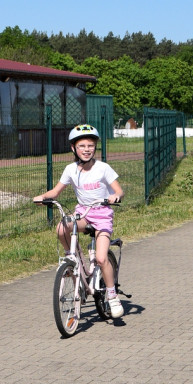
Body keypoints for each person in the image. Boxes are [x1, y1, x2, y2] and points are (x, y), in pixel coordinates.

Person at [33, 124, 125, 318]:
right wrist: (43, 197)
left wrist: (115, 197)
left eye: (90, 145)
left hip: (101, 215)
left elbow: (119, 190)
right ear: (73, 148)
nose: (86, 149)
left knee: (100, 258)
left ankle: (112, 295)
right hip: (82, 213)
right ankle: (72, 260)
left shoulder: (103, 168)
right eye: (82, 145)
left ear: (95, 148)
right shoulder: (70, 169)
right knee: (61, 228)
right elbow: (56, 191)